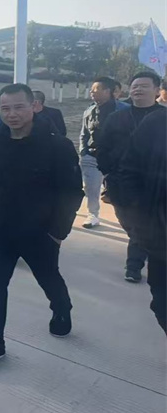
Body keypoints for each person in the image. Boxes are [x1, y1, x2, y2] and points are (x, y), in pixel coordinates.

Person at [0, 83, 83, 368]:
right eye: (5, 108)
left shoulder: (58, 146)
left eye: (19, 107)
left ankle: (62, 309)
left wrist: (57, 233)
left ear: (34, 106)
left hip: (40, 234)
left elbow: (71, 192)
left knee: (48, 278)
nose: (12, 114)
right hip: (0, 232)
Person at [97, 70, 162, 283]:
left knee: (142, 223)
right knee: (131, 224)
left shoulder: (163, 118)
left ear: (157, 90)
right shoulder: (117, 118)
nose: (138, 89)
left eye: (144, 86)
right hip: (120, 183)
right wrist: (108, 171)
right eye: (135, 86)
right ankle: (144, 250)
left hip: (155, 184)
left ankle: (134, 265)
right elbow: (102, 147)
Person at [116, 103, 166, 332]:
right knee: (162, 303)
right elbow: (129, 170)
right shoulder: (156, 123)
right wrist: (139, 219)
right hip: (161, 236)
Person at [78, 76, 127, 228]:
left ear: (108, 91)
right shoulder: (89, 110)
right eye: (91, 89)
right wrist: (83, 152)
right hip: (92, 156)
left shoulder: (125, 110)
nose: (92, 92)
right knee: (91, 188)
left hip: (116, 158)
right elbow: (84, 133)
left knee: (117, 189)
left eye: (96, 89)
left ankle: (125, 216)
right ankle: (93, 214)